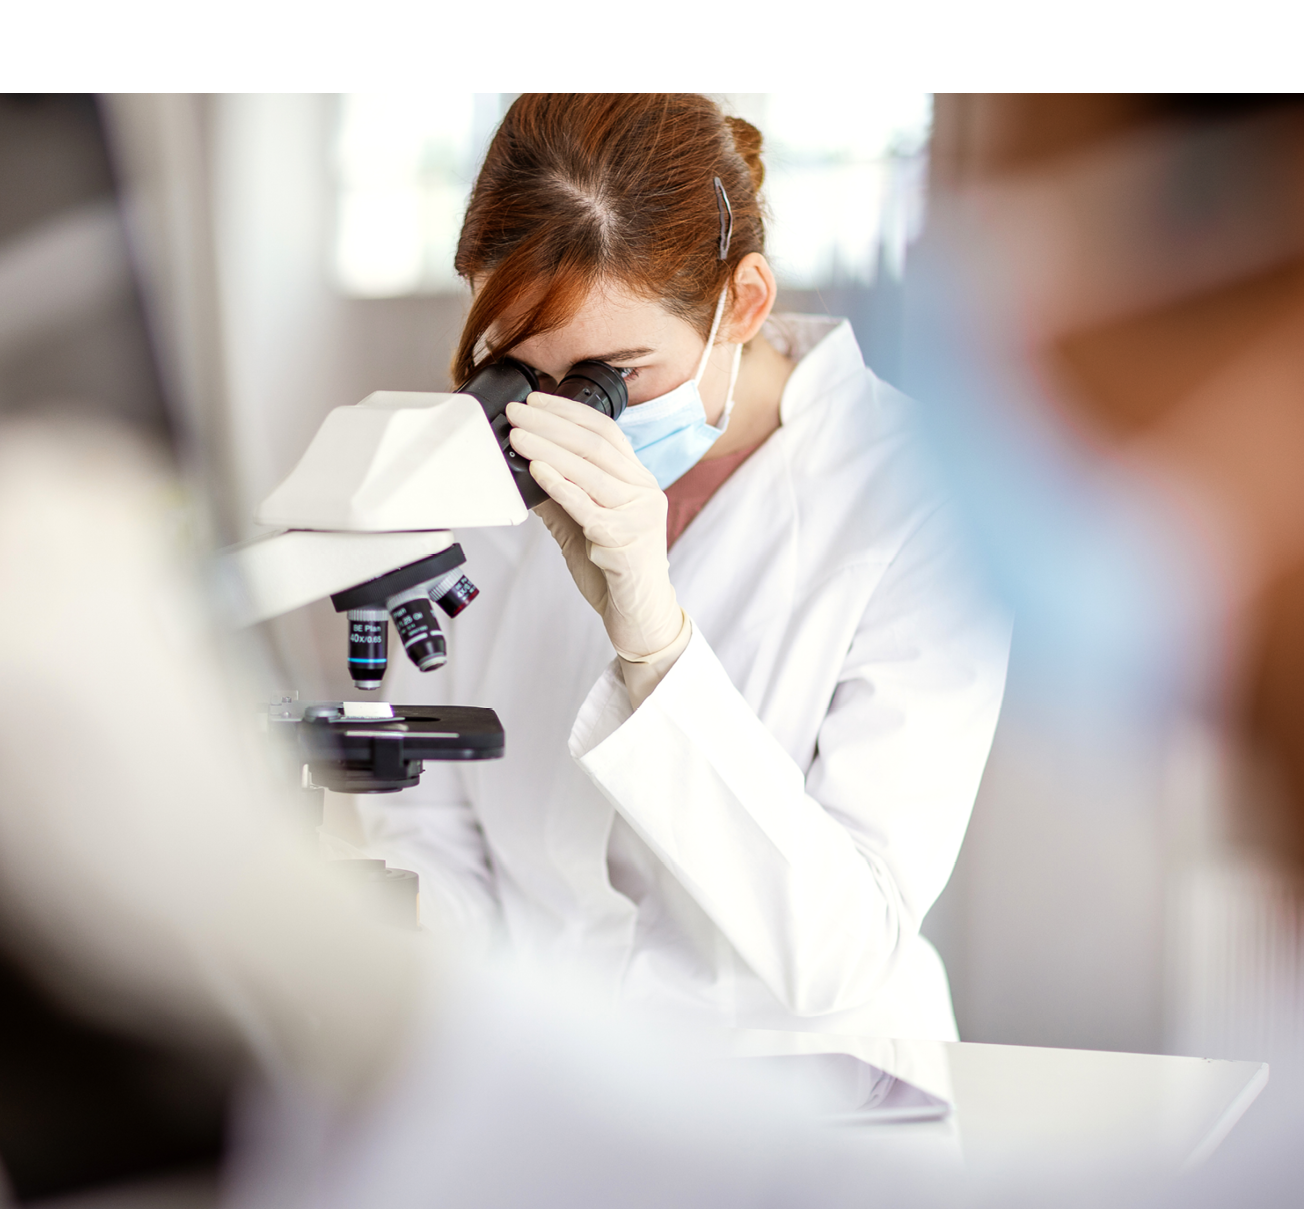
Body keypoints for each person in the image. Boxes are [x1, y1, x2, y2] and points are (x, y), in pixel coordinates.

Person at [352, 93, 1011, 1041]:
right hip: (546, 1089)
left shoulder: (920, 501)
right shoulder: (485, 468)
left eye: (617, 373)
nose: (572, 421)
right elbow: (431, 822)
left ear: (742, 303)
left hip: (806, 1113)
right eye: (525, 371)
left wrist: (657, 647)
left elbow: (845, 946)